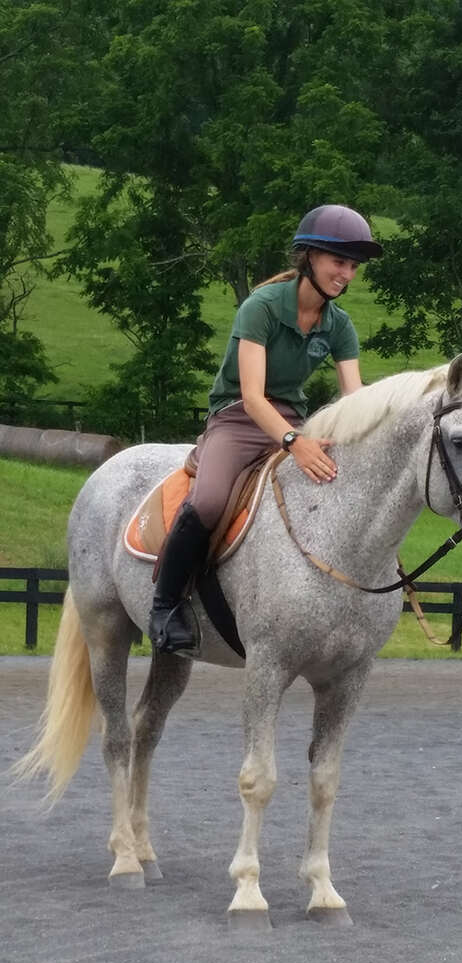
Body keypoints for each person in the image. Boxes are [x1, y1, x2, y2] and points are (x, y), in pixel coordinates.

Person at [149, 204, 383, 653]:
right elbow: (254, 397)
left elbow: (354, 399)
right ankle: (166, 605)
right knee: (210, 501)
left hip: (294, 419)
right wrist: (295, 444)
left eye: (353, 266)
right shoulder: (261, 307)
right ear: (311, 257)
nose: (347, 275)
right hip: (238, 418)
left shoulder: (341, 326)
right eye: (340, 262)